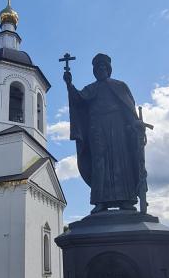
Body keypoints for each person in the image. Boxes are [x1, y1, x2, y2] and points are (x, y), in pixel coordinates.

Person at [64, 53, 150, 214]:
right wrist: (69, 85)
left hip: (118, 128)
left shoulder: (120, 86)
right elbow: (78, 100)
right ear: (95, 71)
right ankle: (100, 201)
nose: (101, 70)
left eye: (104, 67)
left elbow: (129, 109)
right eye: (98, 68)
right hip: (97, 129)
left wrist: (135, 125)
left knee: (121, 160)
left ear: (109, 69)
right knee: (99, 163)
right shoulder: (91, 89)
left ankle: (127, 199)